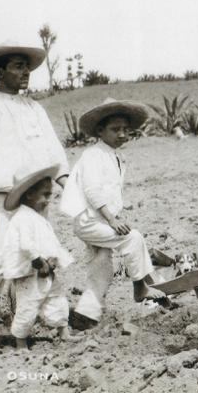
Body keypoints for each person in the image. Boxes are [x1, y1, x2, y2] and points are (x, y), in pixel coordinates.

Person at [0, 43, 69, 348]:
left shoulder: (35, 109)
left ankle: (31, 320)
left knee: (38, 258)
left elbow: (54, 151)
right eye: (18, 66)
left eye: (27, 67)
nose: (25, 73)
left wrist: (65, 183)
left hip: (35, 200)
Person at [60, 98, 168, 329]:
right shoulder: (93, 155)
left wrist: (115, 214)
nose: (121, 134)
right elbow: (92, 190)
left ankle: (86, 314)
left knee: (101, 266)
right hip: (90, 220)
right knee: (133, 238)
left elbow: (110, 191)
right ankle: (140, 288)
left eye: (125, 130)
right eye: (115, 129)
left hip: (101, 218)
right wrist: (112, 219)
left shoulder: (115, 156)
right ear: (100, 130)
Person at [2, 164, 78, 348]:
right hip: (30, 273)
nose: (48, 200)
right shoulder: (22, 218)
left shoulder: (37, 217)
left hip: (46, 270)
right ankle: (21, 343)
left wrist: (53, 258)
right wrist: (37, 259)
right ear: (29, 195)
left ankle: (64, 331)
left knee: (57, 299)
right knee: (28, 306)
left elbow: (47, 242)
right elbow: (26, 245)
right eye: (45, 195)